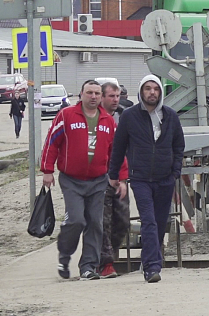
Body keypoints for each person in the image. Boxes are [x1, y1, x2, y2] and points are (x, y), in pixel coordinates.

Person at [108, 74, 184, 284]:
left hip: (165, 178)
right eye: (147, 88)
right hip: (140, 178)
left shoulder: (170, 116)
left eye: (156, 89)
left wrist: (175, 171)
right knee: (148, 221)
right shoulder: (130, 116)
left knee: (159, 223)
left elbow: (178, 146)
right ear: (141, 92)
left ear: (160, 92)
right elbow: (119, 146)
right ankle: (152, 268)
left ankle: (150, 259)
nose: (152, 92)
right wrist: (115, 175)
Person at [41, 79, 116, 281]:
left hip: (98, 180)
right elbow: (52, 143)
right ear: (81, 94)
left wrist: (120, 177)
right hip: (71, 180)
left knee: (95, 223)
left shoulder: (108, 120)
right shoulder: (66, 115)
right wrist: (47, 170)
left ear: (101, 97)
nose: (93, 97)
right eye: (89, 92)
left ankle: (88, 267)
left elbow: (115, 152)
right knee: (76, 220)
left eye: (97, 93)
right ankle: (64, 256)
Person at [97, 82, 130, 279]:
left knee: (122, 219)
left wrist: (123, 178)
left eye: (118, 95)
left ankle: (111, 255)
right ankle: (104, 263)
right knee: (102, 221)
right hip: (99, 178)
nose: (116, 99)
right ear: (102, 97)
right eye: (111, 96)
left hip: (119, 176)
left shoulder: (124, 115)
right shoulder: (94, 116)